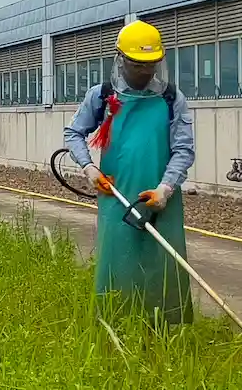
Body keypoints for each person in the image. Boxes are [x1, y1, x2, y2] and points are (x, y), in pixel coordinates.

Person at [64, 20, 195, 326]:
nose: (146, 72)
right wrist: (89, 168)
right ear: (120, 60)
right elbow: (74, 133)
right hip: (117, 196)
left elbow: (184, 150)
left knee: (164, 263)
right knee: (118, 261)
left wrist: (165, 188)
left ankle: (165, 327)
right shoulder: (103, 96)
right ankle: (114, 325)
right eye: (138, 65)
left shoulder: (171, 99)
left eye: (151, 65)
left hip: (160, 198)